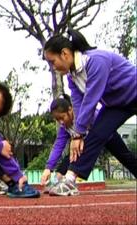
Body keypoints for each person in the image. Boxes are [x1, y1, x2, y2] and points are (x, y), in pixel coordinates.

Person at [43, 28, 137, 196]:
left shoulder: (95, 60)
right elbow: (78, 104)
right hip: (117, 104)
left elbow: (91, 100)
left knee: (99, 139)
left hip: (134, 91)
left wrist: (78, 133)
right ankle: (70, 180)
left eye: (52, 61)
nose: (53, 67)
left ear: (65, 53)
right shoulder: (72, 77)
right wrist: (78, 135)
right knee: (96, 134)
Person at [40, 94, 137, 194]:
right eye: (57, 120)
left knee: (126, 157)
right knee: (73, 154)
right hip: (85, 145)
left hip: (107, 136)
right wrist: (48, 168)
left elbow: (104, 125)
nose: (61, 122)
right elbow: (58, 146)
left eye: (62, 117)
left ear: (70, 110)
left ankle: (68, 179)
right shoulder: (64, 127)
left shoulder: (86, 114)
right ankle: (57, 180)